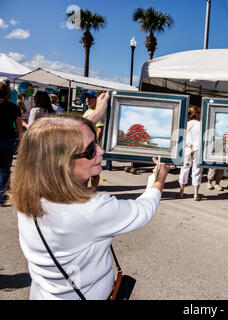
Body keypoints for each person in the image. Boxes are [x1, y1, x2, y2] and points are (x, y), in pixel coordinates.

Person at [8, 105, 171, 299]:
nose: (101, 151)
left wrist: (96, 115)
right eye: (92, 148)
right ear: (62, 162)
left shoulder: (31, 193)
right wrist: (157, 180)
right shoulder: (89, 209)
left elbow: (54, 142)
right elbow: (143, 210)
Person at [0, 77, 23, 206]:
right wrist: (20, 141)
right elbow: (19, 127)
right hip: (8, 140)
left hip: (6, 140)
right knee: (4, 168)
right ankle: (1, 196)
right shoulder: (13, 107)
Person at [178, 106, 203, 201]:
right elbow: (201, 140)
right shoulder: (201, 125)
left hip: (187, 150)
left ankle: (181, 193)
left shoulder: (186, 124)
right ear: (196, 114)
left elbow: (182, 138)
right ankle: (195, 194)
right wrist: (195, 148)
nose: (200, 115)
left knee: (184, 170)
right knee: (197, 171)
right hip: (197, 150)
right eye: (200, 113)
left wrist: (189, 147)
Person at [82, 90, 104, 191]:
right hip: (85, 146)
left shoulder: (97, 112)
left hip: (92, 146)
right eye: (86, 97)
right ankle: (84, 190)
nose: (87, 99)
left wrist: (95, 146)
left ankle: (94, 191)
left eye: (90, 97)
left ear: (96, 99)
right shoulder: (87, 111)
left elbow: (100, 129)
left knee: (94, 171)